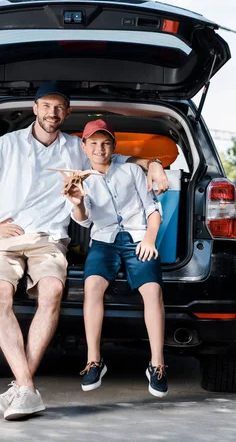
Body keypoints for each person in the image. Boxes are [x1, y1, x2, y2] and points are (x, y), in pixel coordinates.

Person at [0, 82, 169, 420]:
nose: (52, 113)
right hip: (6, 239)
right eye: (46, 106)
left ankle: (23, 389)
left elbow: (113, 157)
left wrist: (153, 163)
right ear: (35, 108)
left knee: (52, 290)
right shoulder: (6, 145)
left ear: (66, 114)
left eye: (59, 108)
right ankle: (26, 386)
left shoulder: (76, 148)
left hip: (49, 238)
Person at [65, 119, 168, 398]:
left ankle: (157, 364)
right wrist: (78, 203)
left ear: (114, 146)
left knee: (152, 290)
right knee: (92, 287)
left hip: (137, 238)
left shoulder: (131, 170)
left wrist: (149, 238)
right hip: (103, 240)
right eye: (94, 143)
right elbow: (84, 222)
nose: (100, 149)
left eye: (106, 143)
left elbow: (152, 208)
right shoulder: (78, 178)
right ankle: (94, 361)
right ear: (84, 147)